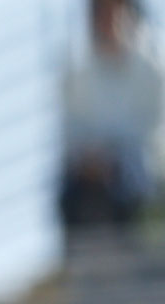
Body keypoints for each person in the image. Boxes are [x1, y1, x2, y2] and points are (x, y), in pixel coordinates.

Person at [58, 0, 163, 238]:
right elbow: (72, 134)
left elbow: (152, 135)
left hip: (138, 175)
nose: (108, 23)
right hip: (88, 177)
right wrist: (93, 158)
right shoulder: (77, 73)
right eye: (101, 15)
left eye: (114, 13)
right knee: (72, 193)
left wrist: (114, 157)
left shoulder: (152, 71)